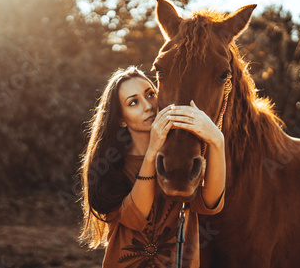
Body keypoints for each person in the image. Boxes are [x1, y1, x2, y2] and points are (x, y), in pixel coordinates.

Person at [79, 66, 226, 267]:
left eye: (150, 94)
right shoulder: (111, 167)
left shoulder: (178, 158)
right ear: (122, 119)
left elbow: (210, 204)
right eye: (133, 102)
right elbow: (135, 219)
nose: (148, 106)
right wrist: (152, 152)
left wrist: (217, 140)